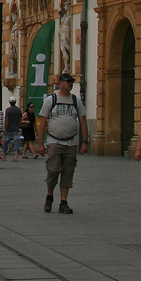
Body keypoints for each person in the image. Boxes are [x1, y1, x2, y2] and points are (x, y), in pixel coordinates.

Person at [38, 72, 89, 214]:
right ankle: (49, 195)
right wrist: (40, 143)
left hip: (71, 142)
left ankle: (63, 202)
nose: (70, 84)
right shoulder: (51, 100)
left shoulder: (75, 100)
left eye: (71, 82)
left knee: (68, 172)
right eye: (67, 82)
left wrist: (84, 141)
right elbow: (42, 123)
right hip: (55, 141)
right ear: (60, 83)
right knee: (53, 170)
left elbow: (83, 122)